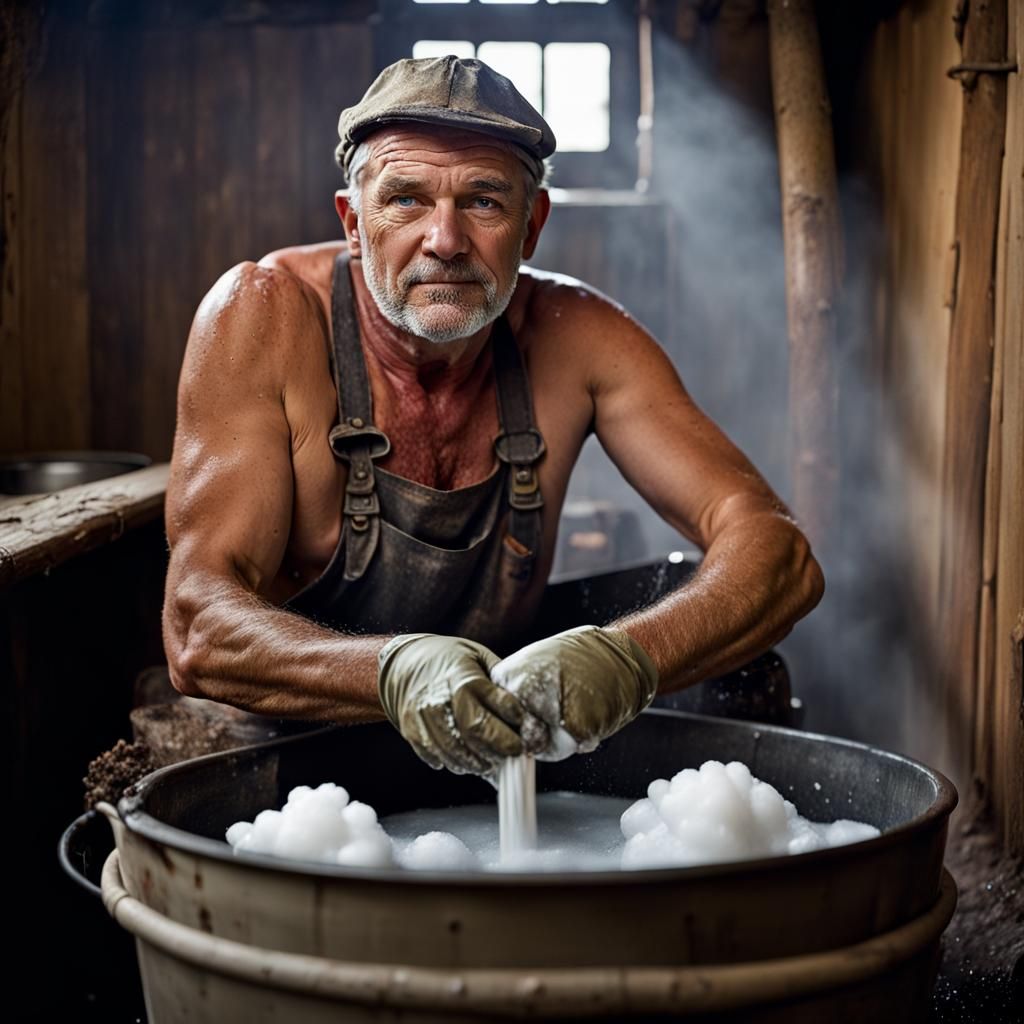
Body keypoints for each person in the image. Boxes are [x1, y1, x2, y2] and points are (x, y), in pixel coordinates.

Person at [163, 56, 823, 777]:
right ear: (353, 222)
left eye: (483, 202)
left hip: (493, 733)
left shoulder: (576, 333)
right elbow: (197, 623)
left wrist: (627, 660)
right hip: (302, 738)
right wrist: (393, 671)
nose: (445, 241)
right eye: (407, 200)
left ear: (531, 225)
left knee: (739, 666)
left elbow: (778, 552)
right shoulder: (264, 314)